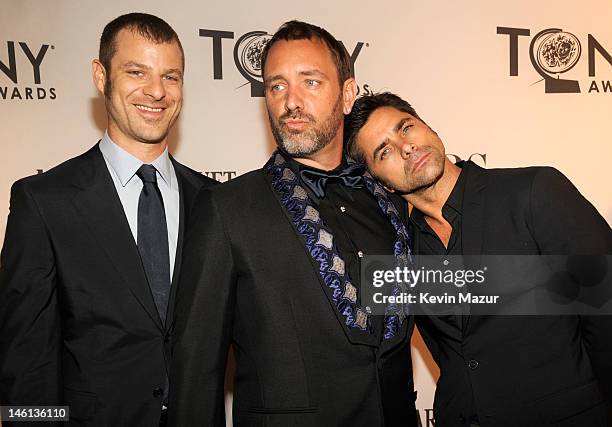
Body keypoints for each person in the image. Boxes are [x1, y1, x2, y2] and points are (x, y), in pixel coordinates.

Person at [169, 21, 417, 427]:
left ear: (348, 94)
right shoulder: (226, 210)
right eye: (277, 86)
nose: (291, 102)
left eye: (311, 82)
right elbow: (197, 372)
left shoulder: (390, 199)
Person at [344, 92, 612, 426]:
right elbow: (449, 350)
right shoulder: (402, 250)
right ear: (379, 182)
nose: (406, 147)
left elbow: (605, 310)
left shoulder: (532, 191)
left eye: (406, 128)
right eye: (384, 151)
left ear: (429, 128)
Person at [0, 13, 215, 426]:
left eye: (171, 77)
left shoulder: (214, 202)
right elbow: (25, 360)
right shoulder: (44, 201)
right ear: (101, 76)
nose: (156, 91)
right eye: (137, 72)